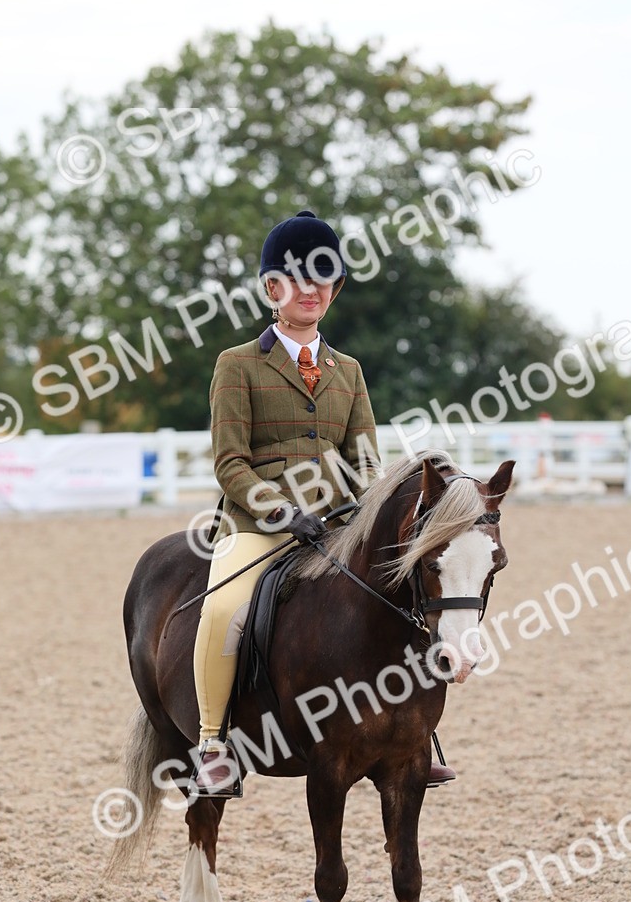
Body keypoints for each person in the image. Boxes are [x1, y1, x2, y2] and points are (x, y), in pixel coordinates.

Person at [191, 209, 456, 794]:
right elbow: (230, 462)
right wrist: (282, 512)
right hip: (259, 526)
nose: (310, 291)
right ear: (271, 289)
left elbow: (365, 463)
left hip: (337, 524)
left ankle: (417, 735)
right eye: (296, 278)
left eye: (323, 279)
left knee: (406, 595)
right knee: (222, 609)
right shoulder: (236, 365)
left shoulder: (350, 371)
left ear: (335, 290)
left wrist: (369, 513)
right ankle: (213, 742)